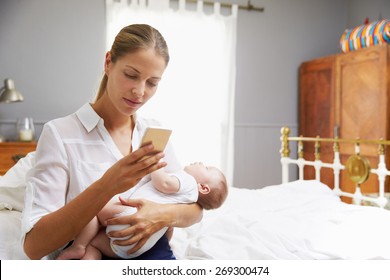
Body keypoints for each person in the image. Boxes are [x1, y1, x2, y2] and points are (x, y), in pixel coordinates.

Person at [21, 24, 203, 260]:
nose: (139, 91)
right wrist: (107, 185)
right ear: (108, 63)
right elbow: (34, 246)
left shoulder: (154, 131)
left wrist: (160, 216)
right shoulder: (60, 133)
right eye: (131, 75)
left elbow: (195, 209)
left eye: (152, 82)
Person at [56, 162, 228, 260]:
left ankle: (79, 246)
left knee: (93, 208)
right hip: (133, 248)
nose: (200, 163)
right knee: (96, 245)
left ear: (203, 188)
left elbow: (164, 183)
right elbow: (169, 226)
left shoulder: (188, 181)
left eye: (206, 168)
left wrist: (154, 164)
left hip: (129, 218)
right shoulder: (187, 199)